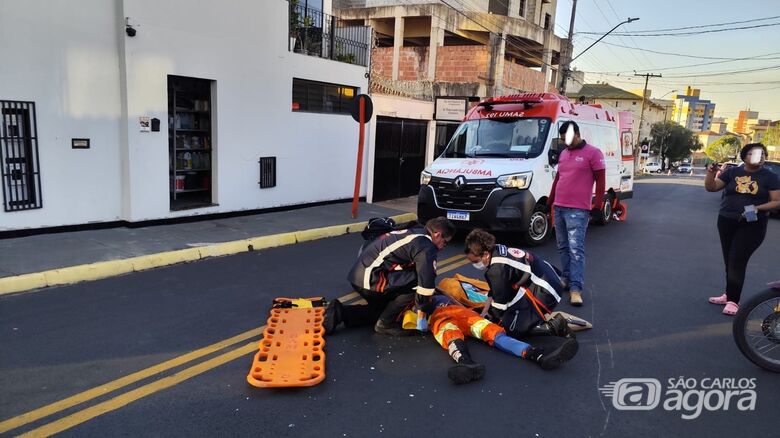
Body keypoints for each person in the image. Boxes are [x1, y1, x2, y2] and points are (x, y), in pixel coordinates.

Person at [323, 217, 456, 335]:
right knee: (418, 281)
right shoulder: (426, 246)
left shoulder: (415, 231)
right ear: (437, 235)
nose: (443, 247)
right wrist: (422, 314)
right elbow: (425, 284)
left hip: (360, 276)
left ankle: (340, 313)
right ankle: (386, 323)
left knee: (385, 310)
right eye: (445, 242)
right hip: (371, 278)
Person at [412, 294, 577, 384]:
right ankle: (537, 354)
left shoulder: (433, 294)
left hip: (453, 314)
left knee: (486, 333)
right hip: (452, 315)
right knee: (460, 335)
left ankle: (467, 363)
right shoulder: (424, 298)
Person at [705, 143, 780, 315]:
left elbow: (777, 201)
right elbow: (711, 187)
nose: (760, 157)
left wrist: (757, 208)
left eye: (762, 154)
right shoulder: (732, 172)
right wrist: (710, 174)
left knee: (737, 259)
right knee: (729, 259)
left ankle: (733, 300)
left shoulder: (769, 177)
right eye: (755, 154)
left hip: (753, 224)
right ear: (744, 157)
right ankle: (728, 294)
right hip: (726, 220)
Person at [463, 229, 576, 342]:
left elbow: (499, 306)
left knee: (510, 329)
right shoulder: (496, 249)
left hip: (547, 290)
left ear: (485, 254)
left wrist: (488, 319)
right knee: (508, 310)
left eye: (475, 261)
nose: (474, 264)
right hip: (550, 278)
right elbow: (494, 290)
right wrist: (484, 311)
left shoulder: (497, 270)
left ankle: (554, 326)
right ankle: (532, 317)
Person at [546, 120, 606, 306]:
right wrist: (549, 202)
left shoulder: (593, 153)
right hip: (559, 207)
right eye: (563, 139)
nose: (566, 143)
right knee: (562, 246)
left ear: (578, 134)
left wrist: (598, 206)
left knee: (576, 250)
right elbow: (558, 179)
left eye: (568, 139)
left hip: (578, 210)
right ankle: (565, 278)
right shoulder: (564, 153)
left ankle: (576, 289)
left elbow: (601, 181)